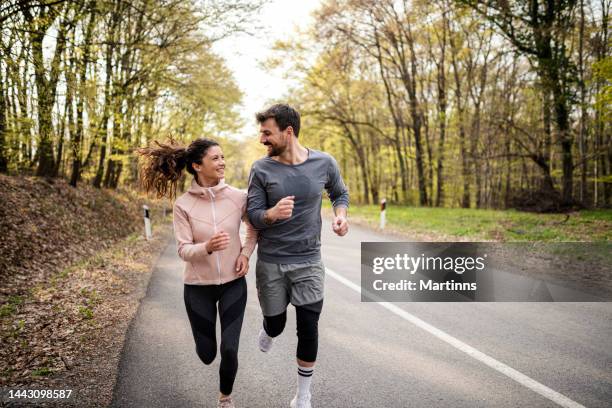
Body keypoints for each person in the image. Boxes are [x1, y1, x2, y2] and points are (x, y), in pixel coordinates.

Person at [138, 138, 257, 408]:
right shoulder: (183, 205)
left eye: (223, 157)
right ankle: (206, 349)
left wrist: (245, 254)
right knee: (207, 354)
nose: (222, 162)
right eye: (215, 158)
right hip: (197, 287)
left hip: (233, 284)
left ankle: (225, 398)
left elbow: (253, 229)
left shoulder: (239, 197)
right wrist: (208, 247)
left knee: (229, 349)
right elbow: (183, 251)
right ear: (196, 165)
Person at [247, 104, 349, 408]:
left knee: (308, 326)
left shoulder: (324, 162)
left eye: (267, 132)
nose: (262, 139)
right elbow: (252, 215)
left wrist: (340, 216)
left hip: (308, 260)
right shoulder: (261, 169)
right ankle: (269, 329)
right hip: (272, 262)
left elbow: (339, 193)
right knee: (277, 324)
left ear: (287, 132)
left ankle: (303, 394)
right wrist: (272, 214)